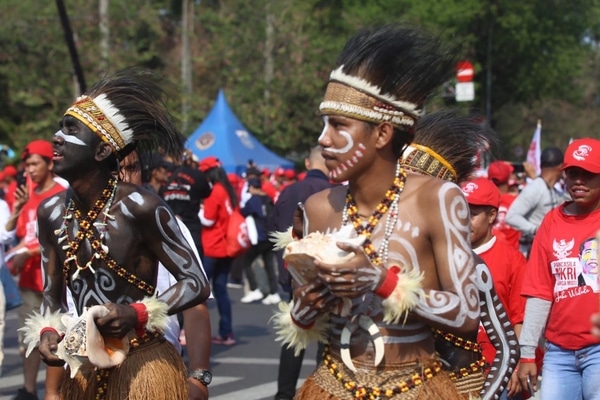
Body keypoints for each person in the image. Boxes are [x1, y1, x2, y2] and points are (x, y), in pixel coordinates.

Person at [273, 24, 481, 399]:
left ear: (382, 135)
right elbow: (304, 319)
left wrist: (380, 281)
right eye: (324, 125)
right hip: (333, 385)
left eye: (338, 125)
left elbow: (466, 313)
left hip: (414, 386)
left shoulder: (436, 199)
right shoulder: (319, 208)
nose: (324, 140)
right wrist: (305, 308)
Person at [20, 69, 211, 400]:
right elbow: (52, 296)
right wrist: (48, 331)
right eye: (59, 127)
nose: (56, 137)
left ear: (101, 151)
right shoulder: (50, 213)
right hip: (84, 366)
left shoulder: (141, 206)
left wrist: (135, 314)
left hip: (144, 365)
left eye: (70, 129)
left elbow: (196, 283)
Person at [517, 138, 600, 400]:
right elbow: (540, 291)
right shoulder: (551, 222)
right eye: (573, 173)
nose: (579, 181)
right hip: (558, 354)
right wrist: (528, 352)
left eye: (588, 174)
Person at [3, 140, 66, 400]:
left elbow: (62, 239)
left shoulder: (64, 193)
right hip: (30, 280)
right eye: (27, 165)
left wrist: (27, 252)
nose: (29, 170)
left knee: (62, 341)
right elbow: (19, 234)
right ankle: (29, 390)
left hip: (57, 282)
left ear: (50, 163)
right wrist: (17, 212)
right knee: (29, 340)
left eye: (34, 164)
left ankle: (61, 392)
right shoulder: (28, 194)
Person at [271, 145, 334, 400]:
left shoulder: (288, 191)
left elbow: (273, 230)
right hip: (328, 277)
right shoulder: (333, 194)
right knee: (326, 341)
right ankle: (325, 392)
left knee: (293, 336)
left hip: (293, 274)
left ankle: (284, 394)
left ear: (307, 163)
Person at [461, 177, 528, 400]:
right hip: (455, 372)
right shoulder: (444, 255)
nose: (463, 221)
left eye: (472, 214)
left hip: (497, 373)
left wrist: (514, 369)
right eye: (459, 211)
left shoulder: (513, 260)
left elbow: (520, 320)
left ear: (492, 216)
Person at [198, 156, 239, 346]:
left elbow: (208, 220)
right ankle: (226, 332)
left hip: (212, 246)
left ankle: (191, 332)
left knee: (198, 292)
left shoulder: (215, 192)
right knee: (221, 290)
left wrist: (198, 210)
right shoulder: (229, 190)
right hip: (226, 248)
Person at [506, 146, 568, 256]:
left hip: (547, 249)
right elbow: (511, 216)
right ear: (560, 167)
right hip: (532, 252)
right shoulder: (535, 188)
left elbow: (569, 202)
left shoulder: (552, 190)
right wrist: (535, 230)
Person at [239, 177, 280, 305]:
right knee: (269, 265)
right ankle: (274, 293)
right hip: (271, 235)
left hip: (260, 236)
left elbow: (244, 212)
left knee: (246, 262)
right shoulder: (267, 198)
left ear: (251, 187)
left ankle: (254, 288)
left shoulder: (253, 200)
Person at [488, 160, 522, 250]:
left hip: (490, 253)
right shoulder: (518, 201)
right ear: (508, 178)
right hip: (513, 255)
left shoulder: (484, 201)